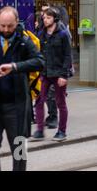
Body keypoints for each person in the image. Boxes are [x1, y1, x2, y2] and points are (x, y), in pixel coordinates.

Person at [0, 6, 45, 171]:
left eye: (10, 26)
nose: (6, 30)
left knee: (19, 151)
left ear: (16, 22)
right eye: (3, 26)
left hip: (17, 106)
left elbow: (40, 62)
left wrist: (15, 66)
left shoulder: (24, 41)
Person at [32, 7, 72, 142]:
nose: (45, 19)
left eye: (48, 17)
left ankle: (62, 131)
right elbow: (38, 52)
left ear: (55, 18)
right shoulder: (42, 33)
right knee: (39, 101)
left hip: (59, 73)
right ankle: (39, 130)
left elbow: (68, 56)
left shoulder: (63, 34)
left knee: (60, 103)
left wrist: (64, 75)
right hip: (45, 73)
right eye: (44, 17)